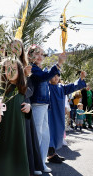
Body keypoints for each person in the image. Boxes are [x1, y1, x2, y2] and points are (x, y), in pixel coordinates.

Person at [27, 44, 66, 173]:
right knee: (37, 135)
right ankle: (34, 165)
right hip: (36, 105)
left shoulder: (39, 69)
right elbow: (45, 77)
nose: (40, 56)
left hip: (43, 106)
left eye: (41, 54)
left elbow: (46, 77)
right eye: (36, 53)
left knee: (45, 136)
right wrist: (58, 64)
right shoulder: (32, 68)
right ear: (29, 55)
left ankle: (41, 162)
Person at [0, 58, 30, 176]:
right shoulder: (0, 89)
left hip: (18, 131)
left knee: (18, 156)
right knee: (4, 158)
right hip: (4, 131)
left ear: (20, 71)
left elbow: (28, 106)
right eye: (7, 68)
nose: (10, 71)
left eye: (14, 68)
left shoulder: (23, 89)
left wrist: (29, 107)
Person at [9, 39, 43, 175]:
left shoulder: (26, 66)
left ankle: (30, 167)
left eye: (19, 47)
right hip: (9, 105)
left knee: (27, 138)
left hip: (24, 104)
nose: (16, 50)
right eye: (13, 47)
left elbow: (29, 91)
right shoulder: (5, 65)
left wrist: (25, 76)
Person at [47, 72, 86, 164]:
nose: (56, 77)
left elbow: (73, 86)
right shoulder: (46, 87)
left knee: (58, 131)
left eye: (57, 76)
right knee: (50, 132)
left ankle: (53, 153)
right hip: (49, 113)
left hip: (59, 114)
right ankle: (51, 154)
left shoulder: (61, 87)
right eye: (54, 75)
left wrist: (81, 79)